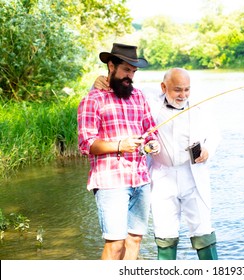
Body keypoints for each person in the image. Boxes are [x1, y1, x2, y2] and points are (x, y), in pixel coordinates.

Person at [94, 68, 220, 260]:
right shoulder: (149, 98)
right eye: (178, 90)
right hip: (162, 175)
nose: (183, 95)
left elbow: (214, 133)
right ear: (163, 87)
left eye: (187, 90)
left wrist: (208, 149)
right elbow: (122, 87)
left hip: (192, 174)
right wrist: (98, 81)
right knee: (165, 233)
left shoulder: (199, 106)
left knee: (202, 229)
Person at [77, 43, 160, 260]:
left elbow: (150, 131)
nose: (130, 76)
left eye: (133, 72)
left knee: (134, 241)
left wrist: (151, 145)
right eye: (126, 70)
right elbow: (86, 144)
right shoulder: (92, 100)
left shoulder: (139, 96)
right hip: (111, 182)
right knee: (114, 244)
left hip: (141, 180)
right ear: (111, 66)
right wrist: (120, 145)